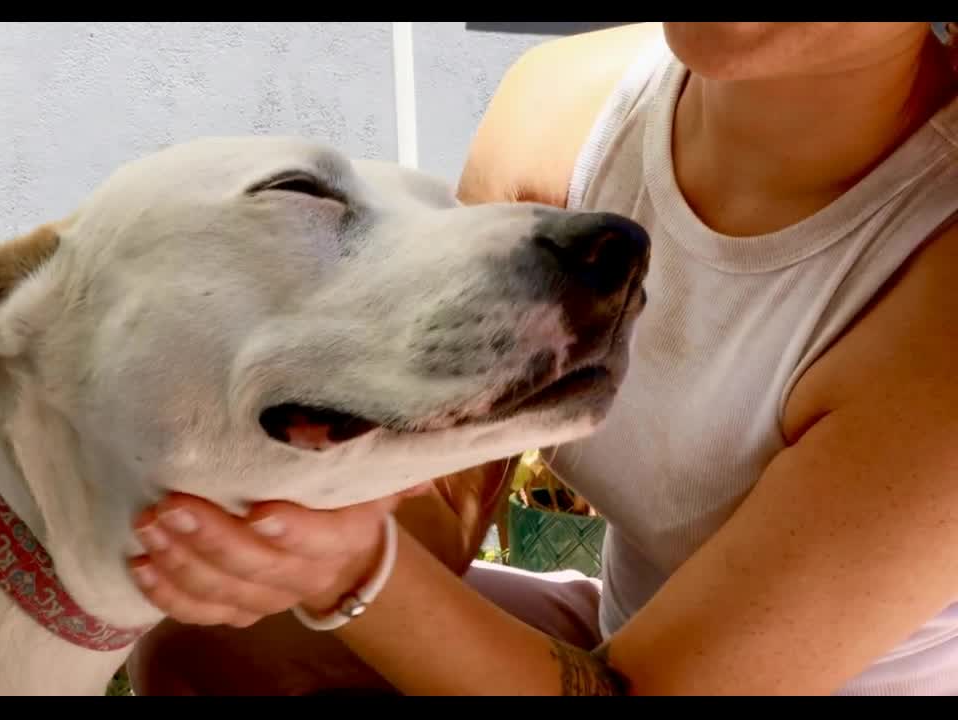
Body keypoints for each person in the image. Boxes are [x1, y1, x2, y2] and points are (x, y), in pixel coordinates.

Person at [122, 22, 958, 695]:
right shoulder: (562, 106)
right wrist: (317, 525)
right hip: (619, 644)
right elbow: (445, 492)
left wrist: (355, 570)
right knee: (206, 651)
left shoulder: (935, 290)